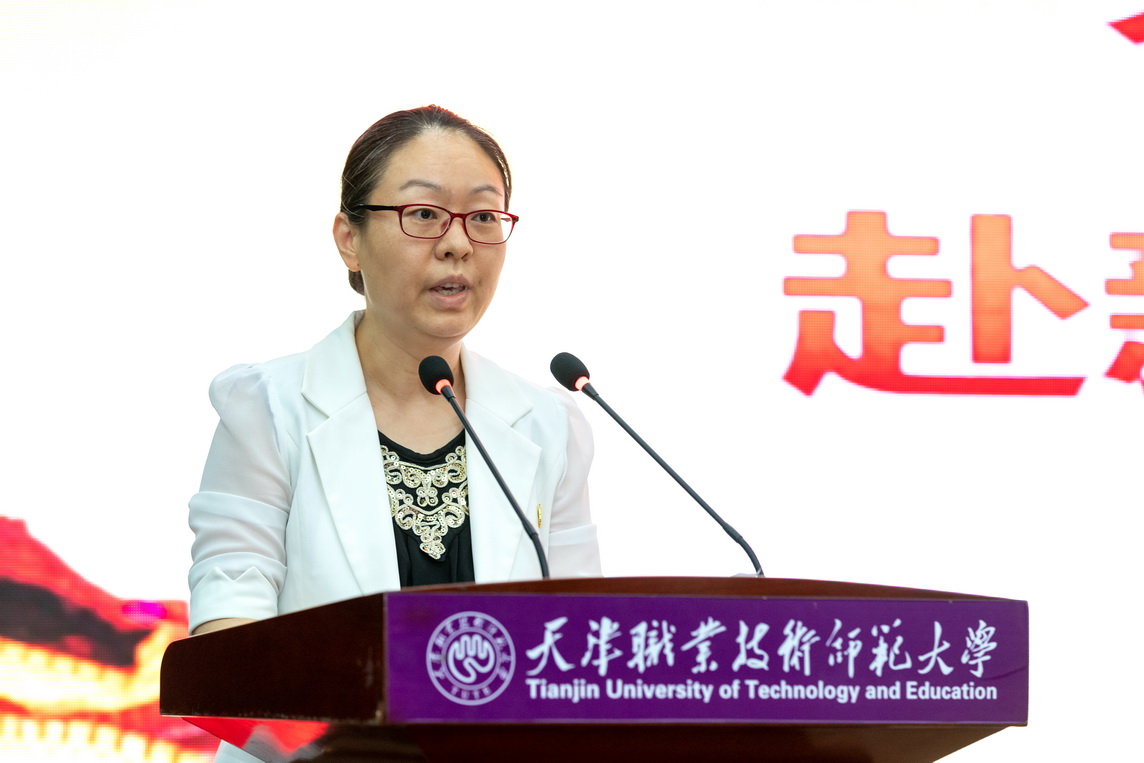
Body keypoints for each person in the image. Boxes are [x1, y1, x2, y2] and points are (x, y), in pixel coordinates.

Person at [186, 106, 601, 759]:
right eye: (424, 213)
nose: (457, 243)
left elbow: (581, 648)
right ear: (348, 238)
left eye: (483, 216)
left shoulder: (551, 427)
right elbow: (226, 642)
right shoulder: (266, 410)